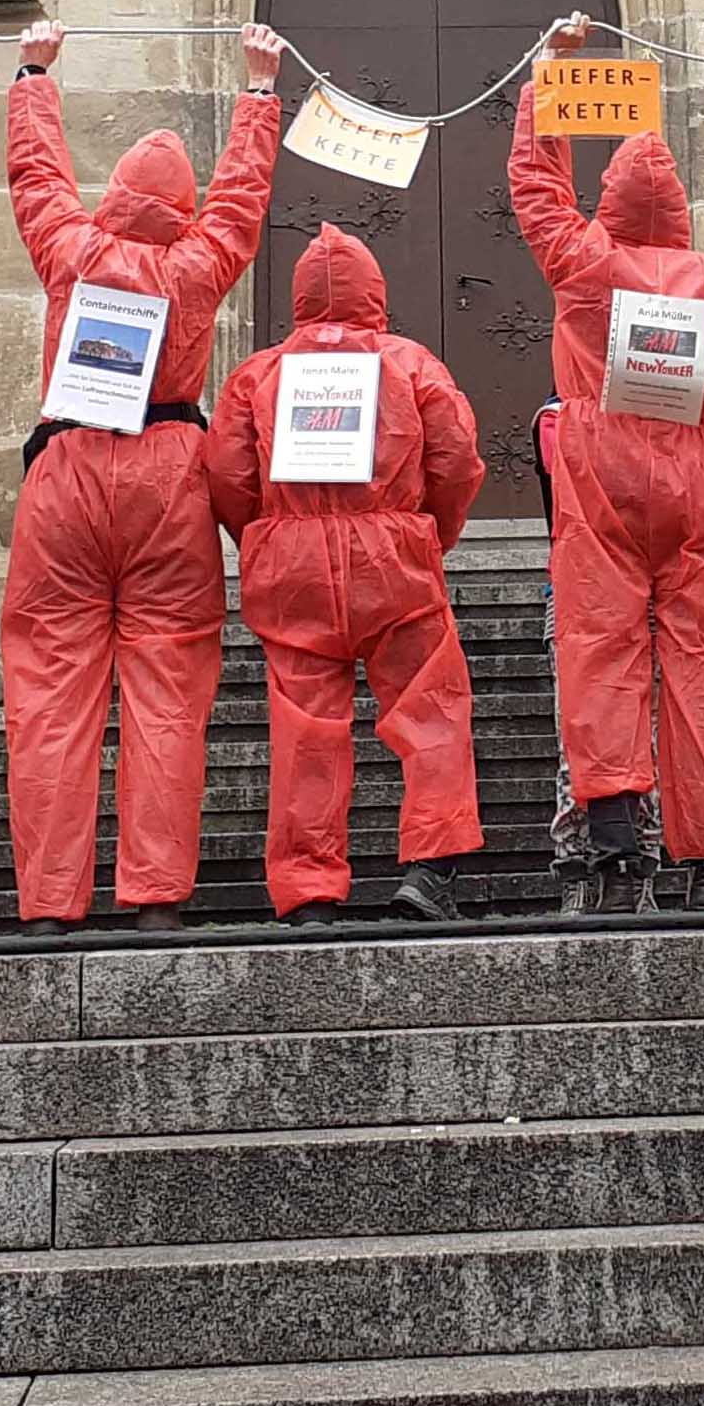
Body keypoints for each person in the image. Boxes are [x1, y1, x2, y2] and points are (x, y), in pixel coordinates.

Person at [0, 19, 284, 932]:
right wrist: (260, 92)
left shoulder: (71, 247)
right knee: (168, 695)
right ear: (181, 208)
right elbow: (241, 201)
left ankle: (50, 904)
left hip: (69, 463)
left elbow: (37, 177)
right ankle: (157, 898)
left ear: (116, 195)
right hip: (169, 474)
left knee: (51, 692)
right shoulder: (199, 262)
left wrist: (33, 75)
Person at [511, 14, 704, 913]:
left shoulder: (585, 260)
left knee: (601, 646)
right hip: (703, 479)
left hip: (604, 472)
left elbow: (536, 185)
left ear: (612, 200)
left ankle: (618, 839)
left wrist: (546, 76)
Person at [203, 224, 487, 922]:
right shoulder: (411, 364)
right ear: (374, 292)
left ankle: (308, 893)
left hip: (293, 569)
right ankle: (430, 869)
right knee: (431, 710)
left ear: (299, 296)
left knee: (305, 732)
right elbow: (456, 460)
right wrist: (429, 535)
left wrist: (269, 538)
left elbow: (228, 477)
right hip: (394, 560)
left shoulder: (258, 374)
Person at [534, 399, 666, 912]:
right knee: (578, 740)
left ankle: (641, 869)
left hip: (644, 593)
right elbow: (568, 461)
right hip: (579, 594)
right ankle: (577, 868)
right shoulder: (555, 420)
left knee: (646, 741)